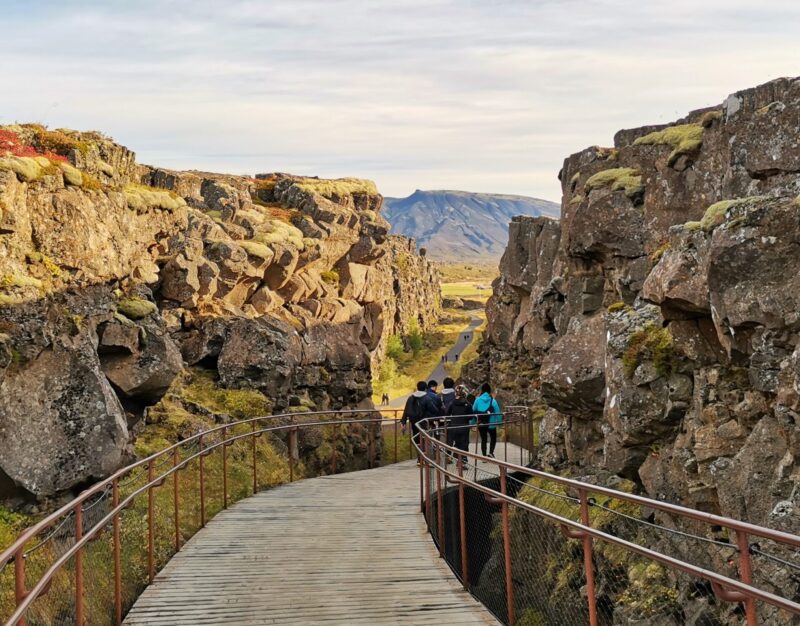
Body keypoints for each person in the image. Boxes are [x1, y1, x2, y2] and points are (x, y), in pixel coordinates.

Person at [401, 381, 433, 463]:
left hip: (414, 422)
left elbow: (406, 410)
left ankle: (419, 458)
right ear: (426, 389)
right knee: (425, 439)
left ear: (417, 387)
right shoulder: (427, 398)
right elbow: (434, 410)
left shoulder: (411, 397)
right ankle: (425, 458)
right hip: (424, 422)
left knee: (417, 439)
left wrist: (403, 422)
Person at [472, 383, 501, 458]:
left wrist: (472, 423)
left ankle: (484, 456)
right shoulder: (493, 401)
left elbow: (473, 411)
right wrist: (500, 423)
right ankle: (491, 453)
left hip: (481, 423)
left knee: (483, 439)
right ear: (489, 391)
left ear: (482, 390)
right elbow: (498, 412)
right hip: (491, 423)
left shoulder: (477, 400)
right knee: (493, 438)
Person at [447, 384, 473, 465]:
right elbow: (471, 416)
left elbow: (447, 414)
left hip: (454, 426)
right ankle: (462, 461)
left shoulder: (452, 403)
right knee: (464, 443)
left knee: (457, 442)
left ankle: (456, 457)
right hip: (464, 426)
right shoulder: (468, 404)